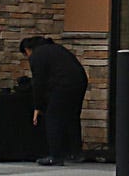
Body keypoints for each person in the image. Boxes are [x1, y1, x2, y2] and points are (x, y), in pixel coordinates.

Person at [20, 35, 89, 165]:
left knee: (53, 117)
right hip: (79, 81)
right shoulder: (56, 49)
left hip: (63, 85)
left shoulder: (37, 55)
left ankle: (56, 155)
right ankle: (76, 152)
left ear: (27, 49)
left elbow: (38, 83)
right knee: (72, 117)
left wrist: (38, 106)